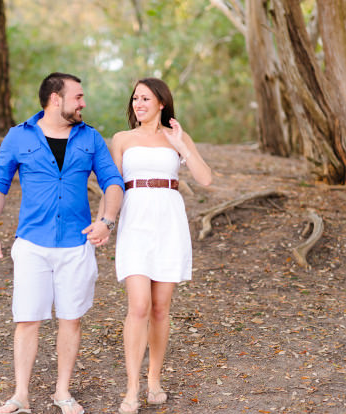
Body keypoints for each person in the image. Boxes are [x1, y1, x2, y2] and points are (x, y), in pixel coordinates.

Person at [0, 72, 125, 414]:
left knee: (71, 319)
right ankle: (20, 396)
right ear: (55, 99)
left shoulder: (90, 138)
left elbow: (113, 182)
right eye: (78, 96)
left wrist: (106, 221)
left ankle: (62, 392)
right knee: (27, 319)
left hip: (76, 245)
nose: (83, 103)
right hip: (32, 243)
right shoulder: (19, 136)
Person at [109, 78, 212, 414]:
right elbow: (113, 186)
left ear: (162, 103)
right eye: (135, 98)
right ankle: (131, 388)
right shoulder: (122, 139)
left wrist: (181, 145)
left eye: (145, 98)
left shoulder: (176, 138)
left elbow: (205, 178)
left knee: (160, 308)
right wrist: (105, 222)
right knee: (138, 306)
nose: (138, 104)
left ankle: (154, 380)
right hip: (136, 222)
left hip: (169, 222)